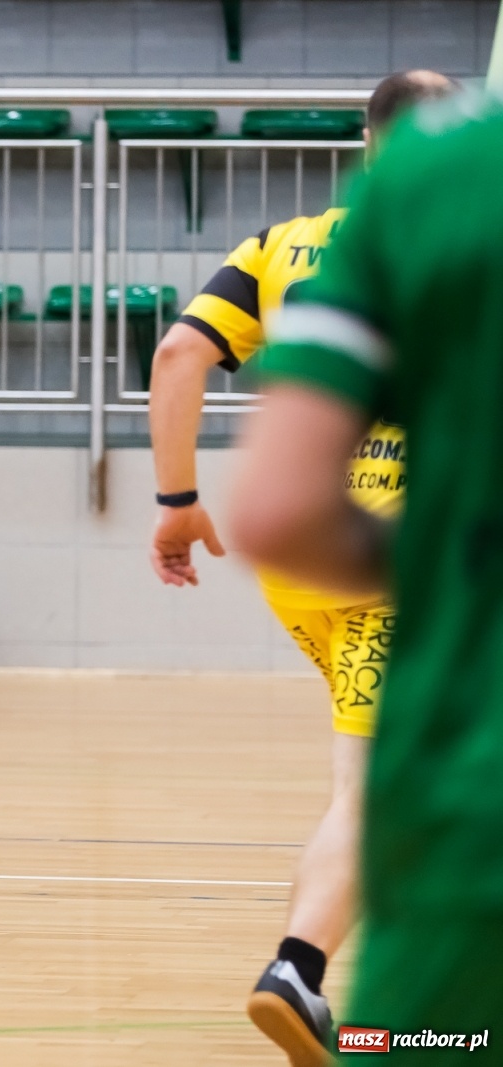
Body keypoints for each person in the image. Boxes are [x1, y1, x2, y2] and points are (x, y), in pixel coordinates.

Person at [145, 71, 453, 1066]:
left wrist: (176, 501)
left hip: (303, 563)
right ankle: (299, 970)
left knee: (384, 784)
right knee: (371, 791)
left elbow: (176, 358)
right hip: (399, 556)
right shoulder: (459, 236)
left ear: (366, 142)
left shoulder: (280, 246)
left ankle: (334, 994)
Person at [229, 90, 503, 1063]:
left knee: (431, 1026)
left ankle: (317, 987)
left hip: (462, 815)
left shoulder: (427, 182)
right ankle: (300, 971)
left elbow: (272, 508)